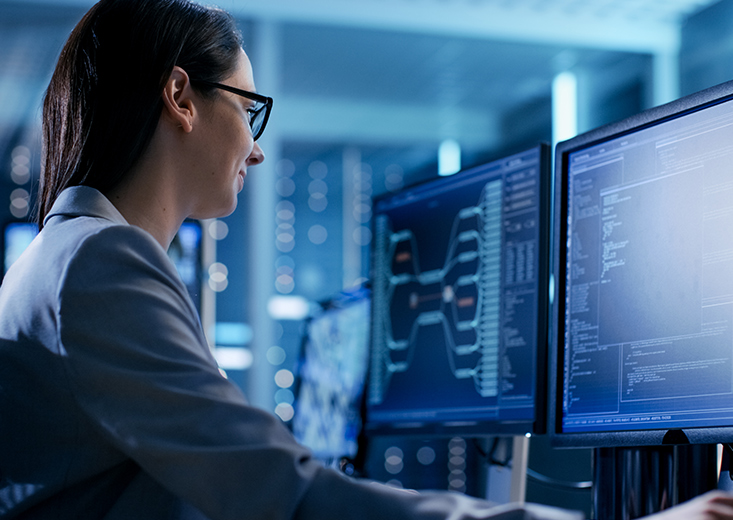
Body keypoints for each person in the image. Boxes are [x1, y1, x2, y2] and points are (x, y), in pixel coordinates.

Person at [0, 1, 732, 519]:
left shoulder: (67, 258)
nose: (255, 147)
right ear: (180, 96)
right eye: (249, 109)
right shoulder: (100, 265)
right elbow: (282, 494)